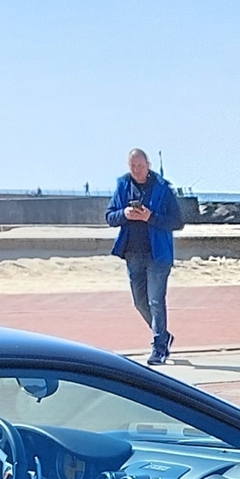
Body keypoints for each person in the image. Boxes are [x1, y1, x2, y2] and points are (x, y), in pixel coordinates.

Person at [106, 148, 183, 365]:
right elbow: (110, 216)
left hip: (158, 253)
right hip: (132, 252)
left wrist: (151, 217)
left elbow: (177, 221)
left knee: (156, 300)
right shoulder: (123, 185)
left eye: (140, 166)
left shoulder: (162, 188)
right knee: (140, 302)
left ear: (148, 164)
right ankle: (164, 335)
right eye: (133, 167)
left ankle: (159, 347)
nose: (137, 171)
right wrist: (124, 214)